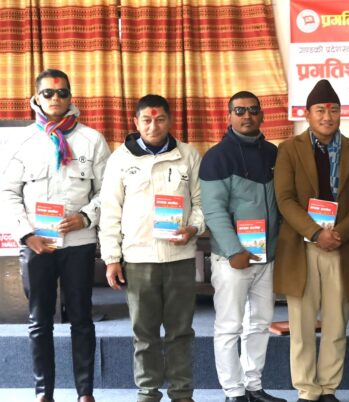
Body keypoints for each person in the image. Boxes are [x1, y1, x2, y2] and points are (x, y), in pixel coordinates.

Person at [0, 68, 110, 402]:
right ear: (36, 98)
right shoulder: (21, 141)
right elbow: (7, 192)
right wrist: (26, 235)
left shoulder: (92, 140)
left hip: (78, 243)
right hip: (37, 245)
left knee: (81, 318)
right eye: (48, 93)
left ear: (71, 97)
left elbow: (107, 193)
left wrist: (85, 217)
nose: (55, 98)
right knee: (39, 321)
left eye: (62, 93)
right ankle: (43, 393)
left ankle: (85, 393)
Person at [99, 94, 204, 402]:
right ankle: (148, 392)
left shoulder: (188, 155)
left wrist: (194, 227)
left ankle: (182, 393)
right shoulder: (120, 160)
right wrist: (112, 258)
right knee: (144, 333)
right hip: (138, 259)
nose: (153, 126)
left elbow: (201, 204)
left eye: (159, 119)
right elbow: (110, 212)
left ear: (170, 120)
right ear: (136, 122)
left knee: (180, 331)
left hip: (180, 258)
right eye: (146, 120)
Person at [273, 79, 349, 402]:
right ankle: (307, 389)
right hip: (302, 247)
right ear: (307, 114)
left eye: (333, 110)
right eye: (320, 110)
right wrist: (316, 232)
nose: (327, 116)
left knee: (336, 324)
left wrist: (339, 233)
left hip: (342, 247)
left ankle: (328, 387)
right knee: (301, 325)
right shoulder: (289, 149)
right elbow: (285, 199)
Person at [200, 91, 286, 402]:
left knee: (260, 324)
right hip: (232, 260)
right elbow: (213, 211)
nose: (246, 116)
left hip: (266, 257)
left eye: (252, 110)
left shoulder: (273, 153)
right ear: (229, 116)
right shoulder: (217, 157)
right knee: (229, 326)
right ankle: (233, 392)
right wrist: (234, 250)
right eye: (239, 111)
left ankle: (253, 386)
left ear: (262, 115)